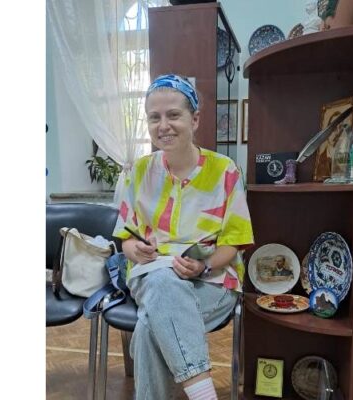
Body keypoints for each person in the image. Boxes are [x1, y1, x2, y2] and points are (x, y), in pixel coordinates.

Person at [112, 74, 254, 400]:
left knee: (149, 328)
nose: (163, 125)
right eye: (154, 117)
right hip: (151, 276)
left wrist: (203, 265)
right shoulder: (139, 172)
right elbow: (126, 239)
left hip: (212, 279)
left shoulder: (225, 171)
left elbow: (233, 242)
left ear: (195, 119)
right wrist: (137, 251)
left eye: (173, 115)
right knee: (162, 279)